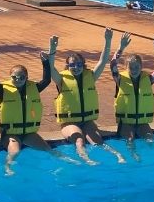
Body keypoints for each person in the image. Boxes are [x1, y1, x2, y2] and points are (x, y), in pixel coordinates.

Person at [0, 48, 76, 175]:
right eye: (14, 77)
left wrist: (45, 62)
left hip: (29, 133)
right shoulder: (3, 90)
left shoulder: (34, 88)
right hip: (10, 134)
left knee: (48, 149)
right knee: (15, 152)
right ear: (10, 77)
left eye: (21, 77)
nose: (18, 80)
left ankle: (66, 159)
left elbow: (47, 80)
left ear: (26, 77)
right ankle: (8, 168)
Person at [48, 29, 126, 164]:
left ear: (83, 66)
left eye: (79, 65)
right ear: (67, 66)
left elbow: (102, 61)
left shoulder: (90, 76)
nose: (76, 67)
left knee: (97, 141)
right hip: (69, 122)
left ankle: (118, 156)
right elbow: (50, 67)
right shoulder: (61, 79)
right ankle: (87, 159)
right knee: (79, 139)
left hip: (87, 121)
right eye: (72, 65)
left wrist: (108, 41)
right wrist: (52, 48)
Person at [109, 32, 154, 161]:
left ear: (141, 67)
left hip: (142, 122)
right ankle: (133, 156)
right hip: (126, 122)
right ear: (126, 67)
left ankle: (151, 159)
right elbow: (112, 65)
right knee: (129, 140)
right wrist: (121, 48)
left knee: (151, 139)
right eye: (131, 67)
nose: (134, 69)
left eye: (137, 66)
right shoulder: (120, 79)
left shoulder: (148, 79)